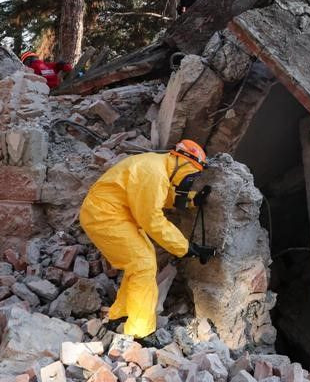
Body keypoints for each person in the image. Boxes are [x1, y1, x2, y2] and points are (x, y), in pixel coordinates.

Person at [79, 139, 217, 341]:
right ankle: (139, 332)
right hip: (103, 216)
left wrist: (192, 199)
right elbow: (152, 219)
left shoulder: (159, 167)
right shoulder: (153, 172)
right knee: (142, 265)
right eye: (192, 173)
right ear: (183, 162)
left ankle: (121, 314)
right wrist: (187, 248)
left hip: (114, 214)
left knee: (141, 263)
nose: (190, 178)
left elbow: (156, 194)